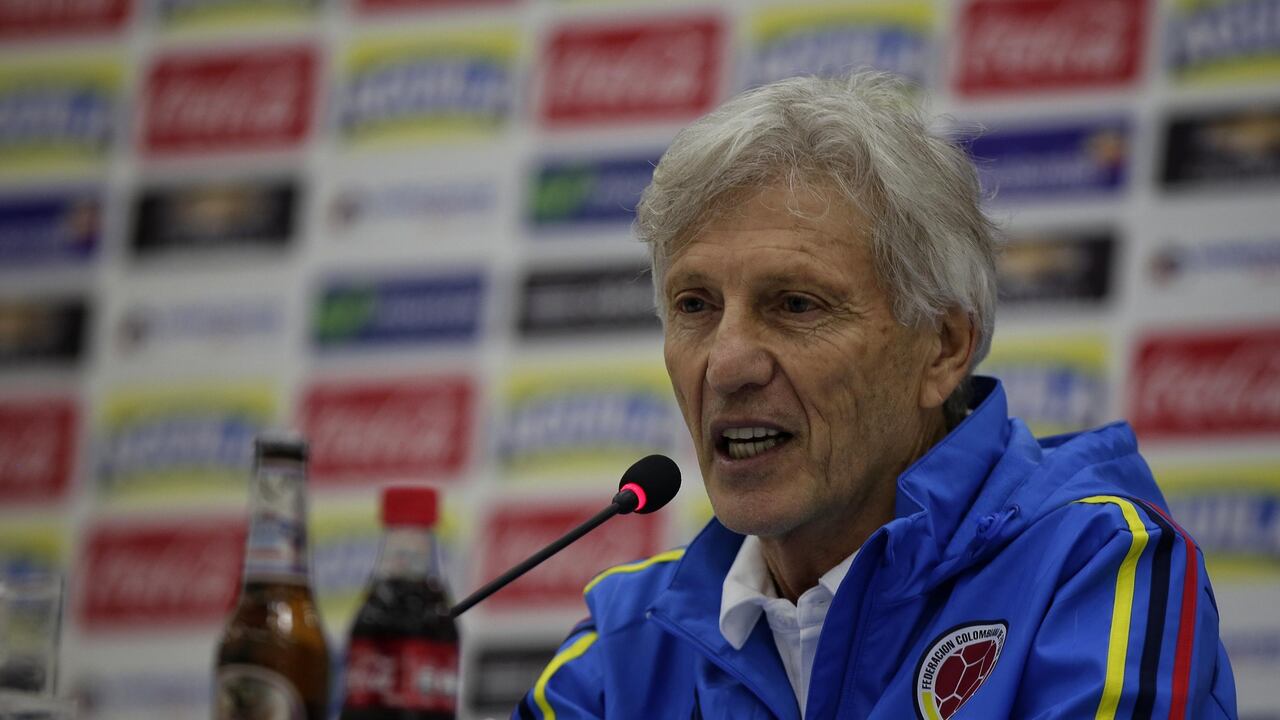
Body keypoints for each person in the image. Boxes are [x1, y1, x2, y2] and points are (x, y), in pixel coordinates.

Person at [514, 72, 1237, 720]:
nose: (727, 366)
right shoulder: (629, 640)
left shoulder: (1092, 563)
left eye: (796, 305)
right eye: (695, 306)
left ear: (943, 347)